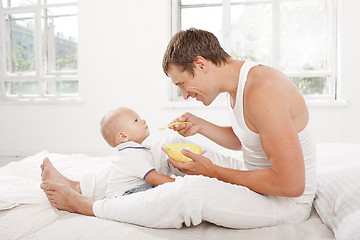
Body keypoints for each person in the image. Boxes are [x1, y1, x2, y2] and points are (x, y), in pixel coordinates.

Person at [40, 28, 316, 229]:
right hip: (256, 176)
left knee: (192, 191)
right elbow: (249, 140)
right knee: (166, 143)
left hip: (285, 202)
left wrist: (213, 172)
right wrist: (201, 126)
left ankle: (88, 206)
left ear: (200, 64)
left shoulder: (263, 91)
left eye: (183, 83)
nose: (185, 94)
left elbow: (291, 185)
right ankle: (81, 185)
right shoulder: (240, 85)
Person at [41, 107, 175, 200]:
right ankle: (73, 188)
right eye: (136, 120)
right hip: (125, 196)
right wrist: (179, 183)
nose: (143, 121)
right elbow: (154, 178)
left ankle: (73, 186)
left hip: (120, 191)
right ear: (123, 137)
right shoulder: (134, 154)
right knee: (162, 194)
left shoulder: (132, 151)